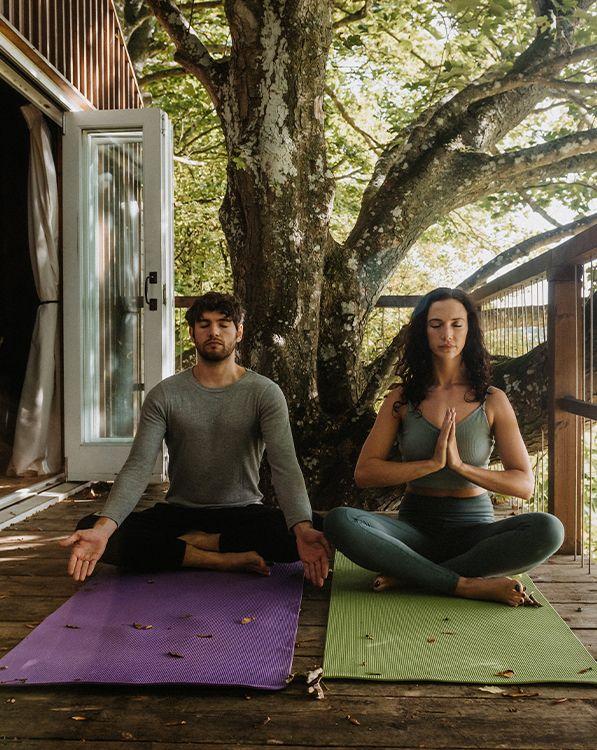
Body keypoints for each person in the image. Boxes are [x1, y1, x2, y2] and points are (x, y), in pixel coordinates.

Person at [61, 291, 331, 587]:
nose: (213, 331)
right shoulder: (165, 395)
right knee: (90, 527)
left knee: (319, 530)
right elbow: (138, 467)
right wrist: (103, 530)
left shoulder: (264, 393)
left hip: (243, 514)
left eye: (223, 324)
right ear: (192, 333)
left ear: (239, 332)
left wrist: (302, 528)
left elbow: (285, 466)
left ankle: (197, 544)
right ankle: (219, 558)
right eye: (204, 324)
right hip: (179, 514)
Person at [324, 287, 564, 607]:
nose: (446, 334)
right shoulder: (401, 399)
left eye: (456, 324)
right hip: (413, 532)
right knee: (339, 521)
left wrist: (461, 467)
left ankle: (412, 576)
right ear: (424, 331)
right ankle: (464, 584)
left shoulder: (492, 400)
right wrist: (430, 465)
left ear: (470, 330)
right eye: (436, 324)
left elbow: (523, 484)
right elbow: (365, 472)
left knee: (549, 529)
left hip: (474, 535)